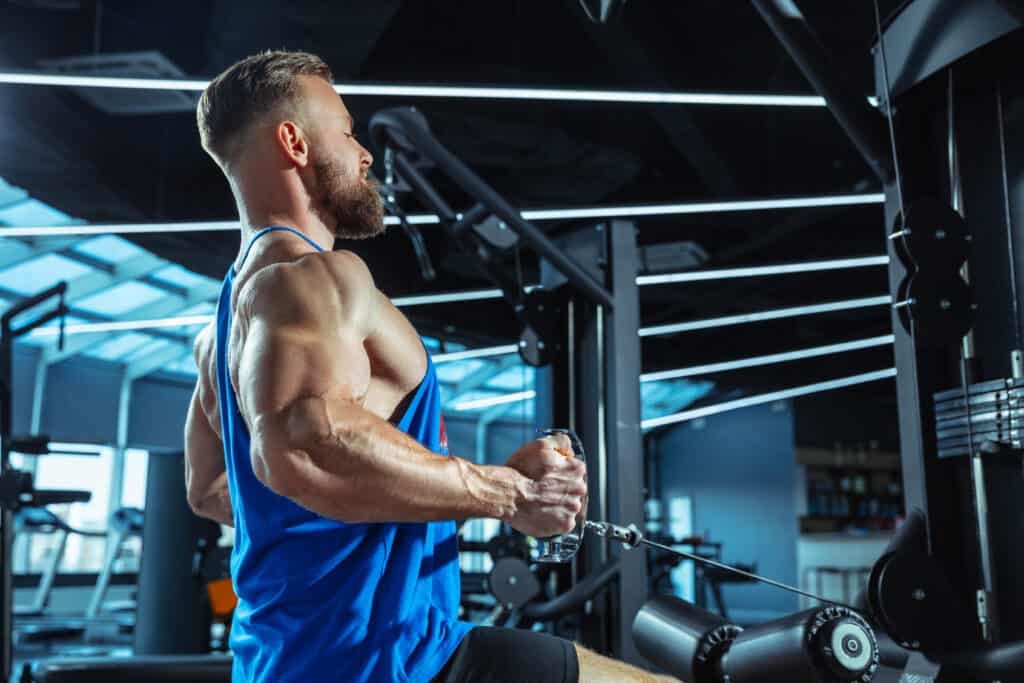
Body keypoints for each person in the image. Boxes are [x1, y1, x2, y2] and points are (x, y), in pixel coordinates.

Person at [183, 49, 676, 683]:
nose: (363, 154)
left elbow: (213, 491)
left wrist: (418, 495)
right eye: (346, 130)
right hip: (389, 657)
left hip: (285, 658)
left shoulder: (218, 329)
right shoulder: (316, 277)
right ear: (293, 142)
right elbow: (305, 444)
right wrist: (509, 493)